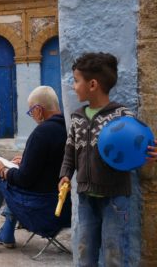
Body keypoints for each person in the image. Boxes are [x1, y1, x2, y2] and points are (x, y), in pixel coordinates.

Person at [58, 52, 157, 266]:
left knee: (115, 253)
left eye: (76, 81)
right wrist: (65, 176)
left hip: (115, 198)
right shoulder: (77, 117)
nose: (73, 86)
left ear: (92, 84)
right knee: (85, 252)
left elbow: (138, 151)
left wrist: (148, 158)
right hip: (86, 198)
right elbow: (69, 152)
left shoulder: (123, 116)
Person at [0, 85, 67, 250]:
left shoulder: (41, 133)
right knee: (10, 170)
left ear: (38, 110)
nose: (32, 116)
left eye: (31, 112)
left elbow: (24, 180)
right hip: (61, 208)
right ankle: (7, 230)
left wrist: (2, 170)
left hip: (39, 209)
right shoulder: (67, 128)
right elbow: (51, 165)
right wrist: (27, 160)